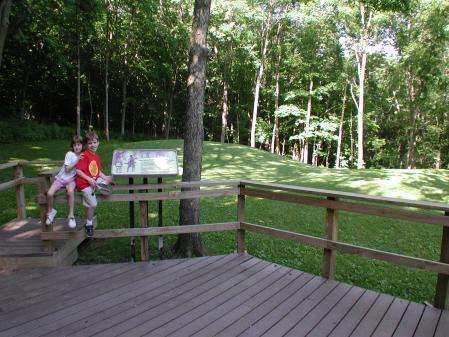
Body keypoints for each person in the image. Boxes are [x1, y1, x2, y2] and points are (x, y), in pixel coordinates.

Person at [75, 131, 112, 237]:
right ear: (86, 144)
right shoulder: (84, 155)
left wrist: (106, 178)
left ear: (98, 143)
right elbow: (78, 170)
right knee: (93, 204)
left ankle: (95, 191)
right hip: (84, 184)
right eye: (90, 143)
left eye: (94, 142)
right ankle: (89, 224)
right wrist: (89, 179)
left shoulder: (97, 157)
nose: (93, 145)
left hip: (94, 181)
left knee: (107, 185)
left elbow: (97, 172)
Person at [46, 135, 84, 229]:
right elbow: (67, 169)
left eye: (79, 144)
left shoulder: (83, 156)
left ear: (82, 145)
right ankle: (51, 212)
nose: (77, 147)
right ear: (72, 146)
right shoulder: (69, 154)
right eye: (75, 145)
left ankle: (71, 215)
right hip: (61, 178)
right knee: (49, 193)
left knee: (70, 191)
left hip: (71, 180)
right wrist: (77, 160)